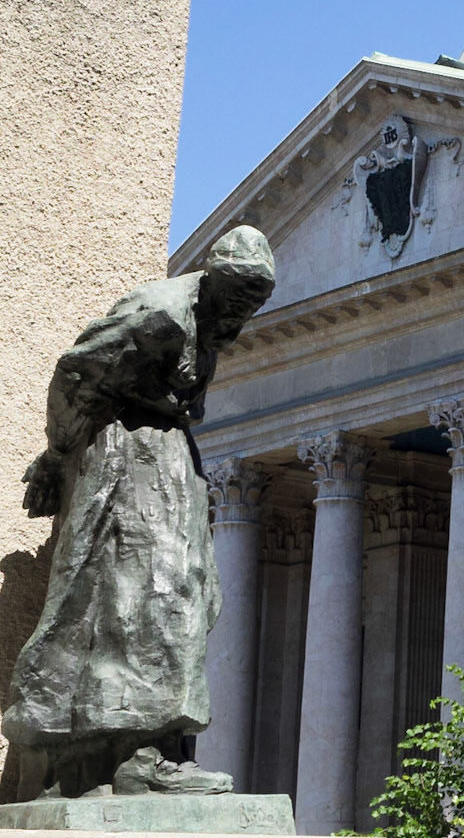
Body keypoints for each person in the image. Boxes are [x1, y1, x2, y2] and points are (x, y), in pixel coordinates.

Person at [2, 226, 275, 798]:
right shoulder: (163, 315)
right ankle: (137, 754)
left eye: (257, 297)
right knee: (152, 592)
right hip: (127, 454)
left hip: (169, 454)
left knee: (195, 592)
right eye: (240, 293)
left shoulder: (211, 322)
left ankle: (157, 745)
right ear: (214, 279)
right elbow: (76, 371)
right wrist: (56, 456)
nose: (246, 309)